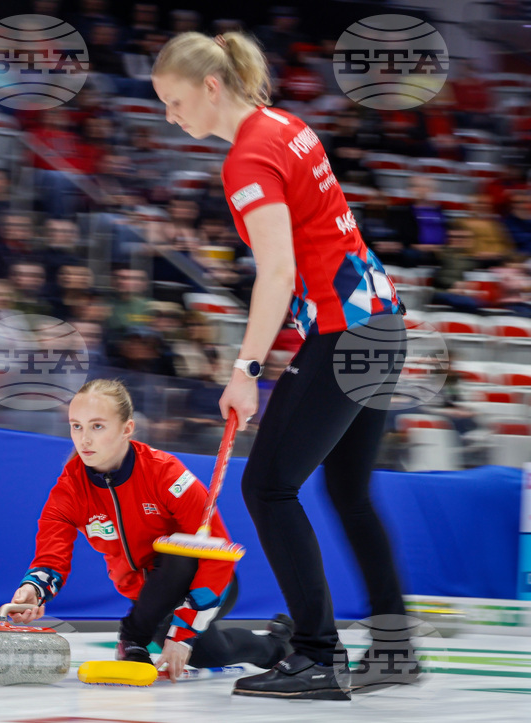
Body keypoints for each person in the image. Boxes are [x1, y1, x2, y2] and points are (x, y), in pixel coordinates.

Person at [152, 32, 412, 700]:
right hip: (380, 320)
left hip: (347, 331)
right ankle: (394, 648)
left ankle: (316, 655)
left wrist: (244, 369)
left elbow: (278, 271)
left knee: (267, 487)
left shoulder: (246, 159)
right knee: (348, 491)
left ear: (212, 87)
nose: (171, 119)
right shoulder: (286, 125)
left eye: (176, 102)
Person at [10, 379, 293, 682]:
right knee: (212, 654)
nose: (84, 440)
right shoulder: (69, 491)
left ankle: (133, 636)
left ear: (127, 428)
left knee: (178, 551)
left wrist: (182, 635)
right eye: (76, 426)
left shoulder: (166, 474)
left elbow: (217, 553)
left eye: (97, 426)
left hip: (208, 579)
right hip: (149, 600)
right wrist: (34, 591)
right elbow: (51, 558)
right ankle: (277, 641)